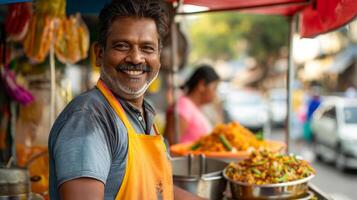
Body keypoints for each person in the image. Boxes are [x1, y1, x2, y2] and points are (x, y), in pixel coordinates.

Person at [48, 1, 204, 199]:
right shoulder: (88, 120)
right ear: (99, 54)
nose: (136, 58)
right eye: (122, 46)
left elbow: (159, 191)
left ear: (158, 57)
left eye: (147, 48)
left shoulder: (143, 114)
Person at [164, 65, 220, 144]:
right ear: (202, 85)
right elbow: (171, 145)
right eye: (214, 88)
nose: (215, 94)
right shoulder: (183, 107)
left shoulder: (193, 107)